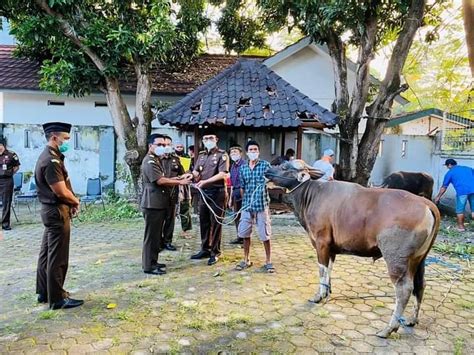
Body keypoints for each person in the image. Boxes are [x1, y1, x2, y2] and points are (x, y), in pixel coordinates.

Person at [35, 122, 83, 310]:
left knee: (47, 253)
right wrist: (75, 201)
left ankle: (44, 292)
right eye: (66, 139)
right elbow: (60, 191)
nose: (67, 142)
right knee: (58, 256)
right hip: (56, 211)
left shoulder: (51, 156)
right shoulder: (51, 160)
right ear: (54, 138)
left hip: (51, 210)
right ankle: (57, 298)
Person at [140, 134, 192, 275]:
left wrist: (179, 177)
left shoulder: (157, 159)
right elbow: (160, 181)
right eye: (159, 145)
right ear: (151, 146)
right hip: (153, 204)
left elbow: (165, 178)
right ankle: (148, 266)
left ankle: (153, 261)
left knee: (156, 236)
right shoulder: (149, 161)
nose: (163, 147)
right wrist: (180, 182)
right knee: (151, 237)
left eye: (164, 145)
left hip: (159, 203)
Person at [191, 130, 229, 265]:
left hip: (217, 193)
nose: (208, 140)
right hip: (204, 193)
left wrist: (205, 182)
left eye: (211, 138)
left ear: (216, 139)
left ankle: (215, 252)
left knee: (216, 222)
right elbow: (196, 171)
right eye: (205, 138)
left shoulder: (222, 155)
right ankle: (205, 249)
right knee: (204, 221)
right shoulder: (201, 155)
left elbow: (223, 174)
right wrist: (190, 176)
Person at [236, 140, 274, 273]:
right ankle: (246, 259)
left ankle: (268, 261)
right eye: (251, 150)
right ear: (247, 153)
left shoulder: (265, 165)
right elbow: (242, 187)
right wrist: (244, 201)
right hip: (247, 206)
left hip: (261, 205)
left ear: (258, 151)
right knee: (245, 233)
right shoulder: (243, 168)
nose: (253, 152)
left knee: (265, 234)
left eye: (255, 149)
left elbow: (272, 180)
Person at [160, 135, 185, 251]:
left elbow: (182, 174)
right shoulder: (156, 159)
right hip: (159, 194)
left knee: (170, 219)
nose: (167, 147)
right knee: (159, 219)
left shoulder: (175, 159)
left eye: (169, 145)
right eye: (164, 145)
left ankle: (167, 241)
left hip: (173, 193)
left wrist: (181, 190)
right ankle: (158, 242)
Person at [434, 159, 474, 232]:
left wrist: (438, 197)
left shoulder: (450, 173)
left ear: (449, 165)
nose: (447, 167)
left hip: (462, 192)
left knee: (460, 211)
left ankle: (461, 227)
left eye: (447, 166)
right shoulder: (468, 168)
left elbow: (444, 187)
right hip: (473, 190)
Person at [0, 137, 20, 230]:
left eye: (0, 145)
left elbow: (17, 166)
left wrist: (10, 173)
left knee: (6, 202)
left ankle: (5, 224)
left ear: (3, 145)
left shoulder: (11, 154)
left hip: (6, 181)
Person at [174, 141, 193, 236]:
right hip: (173, 183)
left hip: (185, 185)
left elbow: (192, 170)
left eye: (181, 146)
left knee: (185, 207)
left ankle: (185, 230)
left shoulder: (187, 157)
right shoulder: (171, 157)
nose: (179, 148)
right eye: (177, 147)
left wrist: (188, 173)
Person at [228, 145, 245, 244]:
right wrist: (230, 198)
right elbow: (231, 184)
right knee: (236, 215)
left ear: (241, 154)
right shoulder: (232, 166)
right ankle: (239, 236)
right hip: (235, 193)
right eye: (232, 152)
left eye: (236, 152)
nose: (234, 154)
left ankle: (245, 237)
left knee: (244, 216)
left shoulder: (245, 165)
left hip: (244, 193)